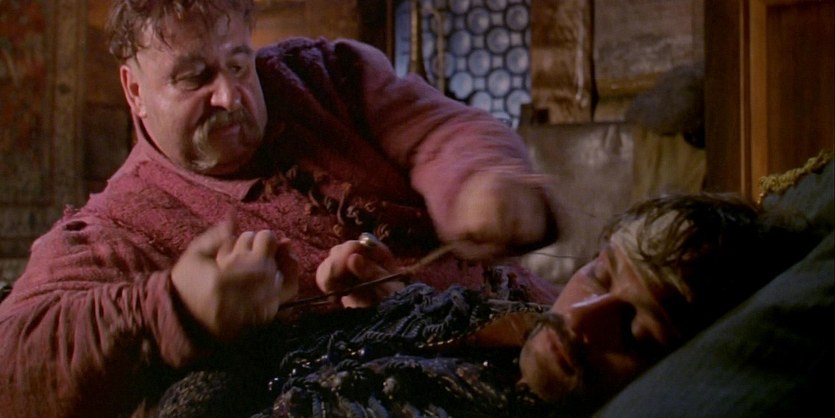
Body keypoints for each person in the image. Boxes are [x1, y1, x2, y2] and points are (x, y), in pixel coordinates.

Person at [0, 1, 561, 417]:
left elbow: (439, 129)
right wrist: (172, 308)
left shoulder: (323, 74)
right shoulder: (116, 226)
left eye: (238, 65)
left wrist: (479, 181)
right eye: (195, 78)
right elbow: (13, 363)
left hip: (545, 339)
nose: (229, 96)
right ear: (134, 91)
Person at [153, 193, 816, 417]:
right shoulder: (494, 319)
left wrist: (208, 336)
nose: (582, 319)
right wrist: (387, 300)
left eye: (640, 328)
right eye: (600, 274)